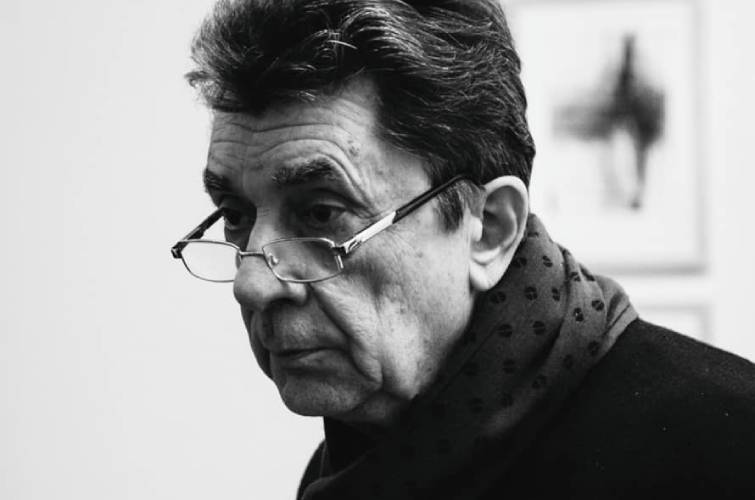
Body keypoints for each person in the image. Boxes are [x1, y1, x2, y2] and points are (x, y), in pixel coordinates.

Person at [171, 1, 755, 498]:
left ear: (490, 229)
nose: (253, 283)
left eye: (322, 213)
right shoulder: (353, 467)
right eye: (236, 216)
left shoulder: (726, 447)